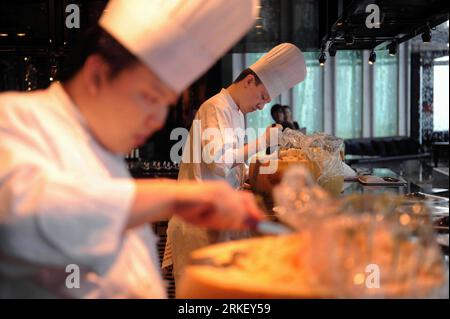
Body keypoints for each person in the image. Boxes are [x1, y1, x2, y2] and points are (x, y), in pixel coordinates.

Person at [0, 0, 263, 298]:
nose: (158, 120)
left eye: (165, 103)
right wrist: (174, 196)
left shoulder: (104, 150)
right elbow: (20, 216)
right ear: (98, 75)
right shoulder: (14, 119)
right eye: (150, 97)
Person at [164, 43, 307, 287]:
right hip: (199, 222)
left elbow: (231, 162)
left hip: (217, 217)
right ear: (249, 81)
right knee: (199, 296)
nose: (262, 105)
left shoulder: (237, 113)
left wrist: (245, 181)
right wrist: (262, 141)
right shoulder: (215, 107)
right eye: (263, 97)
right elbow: (219, 161)